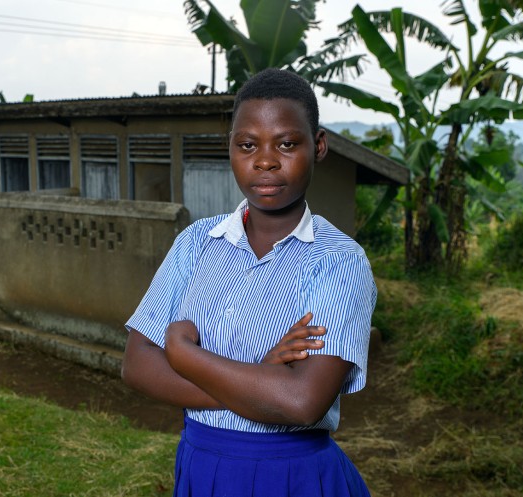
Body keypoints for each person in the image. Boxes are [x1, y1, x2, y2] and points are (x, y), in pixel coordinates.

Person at [122, 68, 376, 497]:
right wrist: (262, 380)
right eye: (247, 145)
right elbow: (137, 365)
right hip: (203, 465)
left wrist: (183, 355)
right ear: (231, 150)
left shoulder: (338, 262)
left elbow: (301, 401)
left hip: (294, 474)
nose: (265, 160)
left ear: (318, 146)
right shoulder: (197, 244)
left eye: (287, 144)